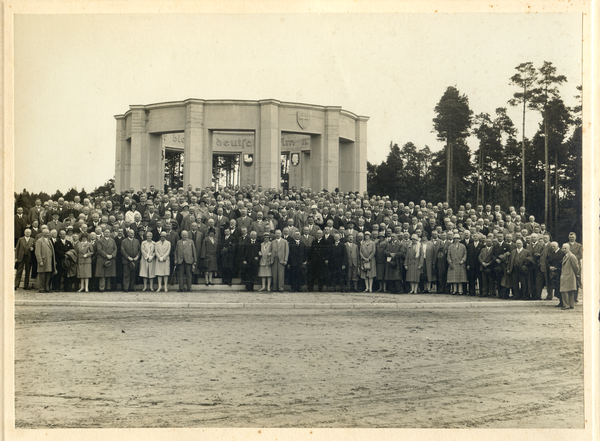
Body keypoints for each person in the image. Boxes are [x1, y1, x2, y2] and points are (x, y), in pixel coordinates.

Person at [35, 228, 57, 293]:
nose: (46, 234)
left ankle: (47, 288)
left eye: (47, 233)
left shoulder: (49, 241)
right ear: (42, 233)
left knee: (48, 274)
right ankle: (41, 288)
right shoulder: (39, 241)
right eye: (45, 233)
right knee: (42, 274)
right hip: (43, 260)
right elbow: (37, 252)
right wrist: (40, 261)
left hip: (49, 260)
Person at [95, 228, 117, 292]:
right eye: (105, 232)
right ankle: (102, 287)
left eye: (108, 232)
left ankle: (108, 287)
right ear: (103, 233)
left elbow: (115, 248)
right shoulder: (100, 241)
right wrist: (106, 255)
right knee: (102, 274)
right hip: (102, 258)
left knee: (109, 274)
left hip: (111, 258)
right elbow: (99, 250)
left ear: (110, 233)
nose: (107, 233)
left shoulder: (112, 240)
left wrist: (112, 255)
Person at [559, 243, 579, 310]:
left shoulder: (571, 256)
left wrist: (575, 274)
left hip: (569, 275)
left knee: (565, 291)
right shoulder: (565, 256)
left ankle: (567, 305)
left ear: (569, 248)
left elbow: (576, 266)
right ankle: (570, 305)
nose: (564, 250)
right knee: (569, 291)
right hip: (567, 275)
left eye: (565, 248)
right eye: (563, 248)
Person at [121, 228, 141, 292]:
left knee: (133, 275)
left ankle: (132, 287)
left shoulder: (137, 241)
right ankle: (126, 288)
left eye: (133, 233)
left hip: (135, 260)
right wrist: (128, 257)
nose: (133, 234)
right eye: (131, 233)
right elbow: (122, 250)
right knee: (126, 274)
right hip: (126, 261)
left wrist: (137, 256)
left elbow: (139, 250)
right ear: (128, 234)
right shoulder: (124, 241)